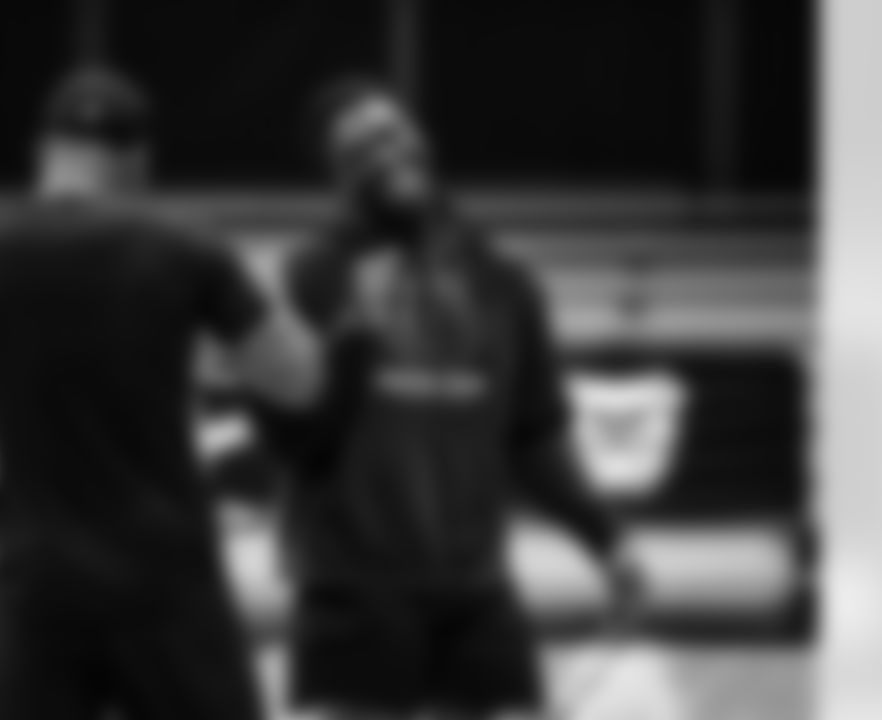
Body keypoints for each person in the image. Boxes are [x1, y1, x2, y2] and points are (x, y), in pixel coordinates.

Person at [0, 67, 322, 720]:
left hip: (34, 582)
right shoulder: (187, 248)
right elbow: (301, 381)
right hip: (166, 584)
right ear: (139, 159)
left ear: (41, 149)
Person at [255, 77, 647, 720]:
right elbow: (291, 441)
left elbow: (535, 437)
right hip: (353, 593)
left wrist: (606, 539)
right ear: (338, 174)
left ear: (422, 137)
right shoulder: (310, 277)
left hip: (475, 593)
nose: (387, 151)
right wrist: (353, 338)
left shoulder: (502, 281)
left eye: (394, 131)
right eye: (361, 147)